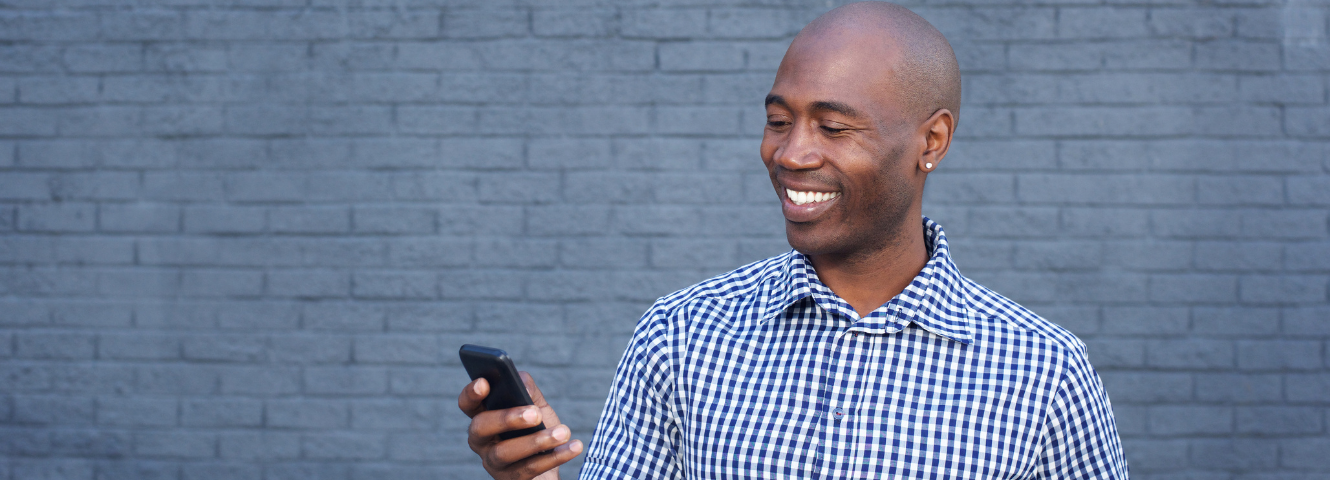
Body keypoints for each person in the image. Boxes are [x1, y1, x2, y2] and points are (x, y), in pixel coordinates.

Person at [458, 2, 1128, 479]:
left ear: (932, 141)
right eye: (780, 120)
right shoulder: (681, 335)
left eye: (834, 128)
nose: (791, 154)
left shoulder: (1044, 372)